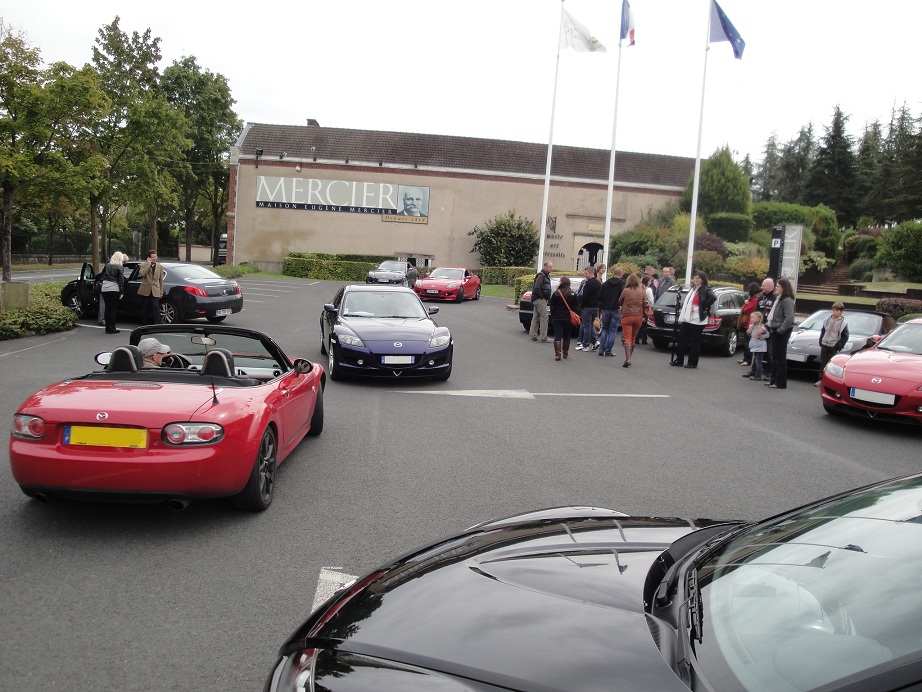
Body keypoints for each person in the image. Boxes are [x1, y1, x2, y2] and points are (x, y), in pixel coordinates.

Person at [669, 270, 716, 369]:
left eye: (698, 278)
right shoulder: (693, 288)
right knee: (681, 338)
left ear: (702, 280)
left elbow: (713, 297)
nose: (696, 280)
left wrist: (705, 306)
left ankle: (692, 362)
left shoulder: (706, 288)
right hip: (687, 318)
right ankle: (679, 360)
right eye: (695, 278)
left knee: (695, 342)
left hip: (697, 319)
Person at [743, 278, 776, 379]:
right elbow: (755, 313)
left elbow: (774, 315)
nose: (762, 287)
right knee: (756, 350)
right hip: (758, 327)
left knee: (769, 352)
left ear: (771, 286)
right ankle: (754, 371)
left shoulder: (774, 299)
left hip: (769, 329)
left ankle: (769, 372)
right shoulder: (761, 298)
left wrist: (765, 328)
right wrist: (751, 326)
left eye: (764, 285)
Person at [766, 277, 796, 389]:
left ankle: (780, 383)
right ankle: (773, 380)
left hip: (781, 332)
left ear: (784, 288)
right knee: (775, 357)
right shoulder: (779, 299)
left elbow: (789, 318)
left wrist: (780, 330)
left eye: (778, 286)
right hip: (775, 330)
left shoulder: (787, 300)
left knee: (780, 358)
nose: (776, 288)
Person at [816, 301, 849, 386]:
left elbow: (845, 336)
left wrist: (839, 345)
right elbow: (823, 331)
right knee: (823, 363)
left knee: (832, 365)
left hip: (833, 346)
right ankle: (821, 379)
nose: (834, 312)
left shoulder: (843, 323)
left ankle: (830, 381)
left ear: (841, 312)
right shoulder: (827, 320)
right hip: (825, 344)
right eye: (833, 310)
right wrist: (821, 340)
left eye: (837, 310)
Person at [618, 273, 647, 368]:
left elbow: (620, 301)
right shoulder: (642, 291)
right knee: (633, 337)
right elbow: (645, 303)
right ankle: (629, 357)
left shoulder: (626, 290)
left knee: (627, 338)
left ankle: (628, 358)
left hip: (627, 316)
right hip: (638, 316)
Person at [597, 267, 625, 357]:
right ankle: (608, 351)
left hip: (606, 309)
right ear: (621, 274)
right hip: (616, 309)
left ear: (613, 273)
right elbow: (624, 296)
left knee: (605, 329)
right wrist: (620, 305)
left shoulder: (606, 284)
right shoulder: (622, 284)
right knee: (612, 331)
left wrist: (601, 307)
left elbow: (599, 296)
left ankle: (601, 349)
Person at [549, 276, 579, 361]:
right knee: (567, 335)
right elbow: (576, 307)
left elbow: (552, 306)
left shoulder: (556, 293)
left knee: (557, 336)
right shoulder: (573, 294)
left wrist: (553, 315)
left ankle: (558, 354)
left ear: (561, 282)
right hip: (568, 318)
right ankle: (565, 352)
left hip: (557, 317)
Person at [100, 251, 128, 334]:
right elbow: (121, 280)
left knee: (107, 308)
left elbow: (102, 275)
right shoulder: (120, 267)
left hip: (104, 288)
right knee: (113, 309)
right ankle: (112, 327)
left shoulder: (107, 265)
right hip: (114, 288)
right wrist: (122, 292)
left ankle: (107, 327)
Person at [576, 265, 601, 351]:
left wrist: (581, 305)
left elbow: (585, 297)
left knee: (586, 326)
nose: (584, 275)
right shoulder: (598, 283)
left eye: (586, 273)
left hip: (587, 307)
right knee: (590, 325)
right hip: (595, 307)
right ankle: (595, 341)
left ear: (591, 273)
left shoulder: (588, 284)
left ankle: (585, 344)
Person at [138, 250, 166, 325]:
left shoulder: (159, 266)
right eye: (153, 257)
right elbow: (142, 274)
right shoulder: (143, 265)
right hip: (145, 289)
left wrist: (161, 292)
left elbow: (161, 280)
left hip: (155, 289)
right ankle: (144, 323)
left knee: (155, 307)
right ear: (149, 258)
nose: (155, 258)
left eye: (155, 257)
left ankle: (158, 323)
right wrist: (148, 265)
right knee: (145, 307)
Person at [737, 282, 761, 367]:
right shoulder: (752, 299)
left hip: (750, 323)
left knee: (748, 343)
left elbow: (747, 310)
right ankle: (745, 358)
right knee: (746, 342)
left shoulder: (754, 300)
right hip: (747, 323)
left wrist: (745, 305)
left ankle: (748, 360)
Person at [529, 261, 553, 343]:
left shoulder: (544, 275)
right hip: (539, 299)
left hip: (537, 299)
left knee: (536, 317)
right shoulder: (541, 275)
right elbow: (537, 287)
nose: (551, 269)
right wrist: (542, 297)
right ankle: (543, 337)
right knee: (544, 317)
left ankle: (533, 336)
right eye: (550, 267)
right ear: (545, 267)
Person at [747, 312, 769, 381]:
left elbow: (767, 335)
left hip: (760, 347)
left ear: (758, 319)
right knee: (754, 360)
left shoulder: (762, 327)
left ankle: (758, 375)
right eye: (751, 317)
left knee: (758, 361)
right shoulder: (752, 326)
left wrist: (760, 337)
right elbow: (751, 335)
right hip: (755, 346)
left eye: (753, 317)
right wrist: (749, 331)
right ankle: (754, 373)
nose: (751, 319)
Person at [637, 274, 655, 345]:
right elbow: (651, 300)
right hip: (645, 307)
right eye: (650, 281)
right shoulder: (648, 289)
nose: (650, 282)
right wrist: (651, 307)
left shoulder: (639, 288)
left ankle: (637, 338)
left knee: (638, 323)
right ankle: (644, 339)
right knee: (644, 324)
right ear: (647, 281)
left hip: (638, 307)